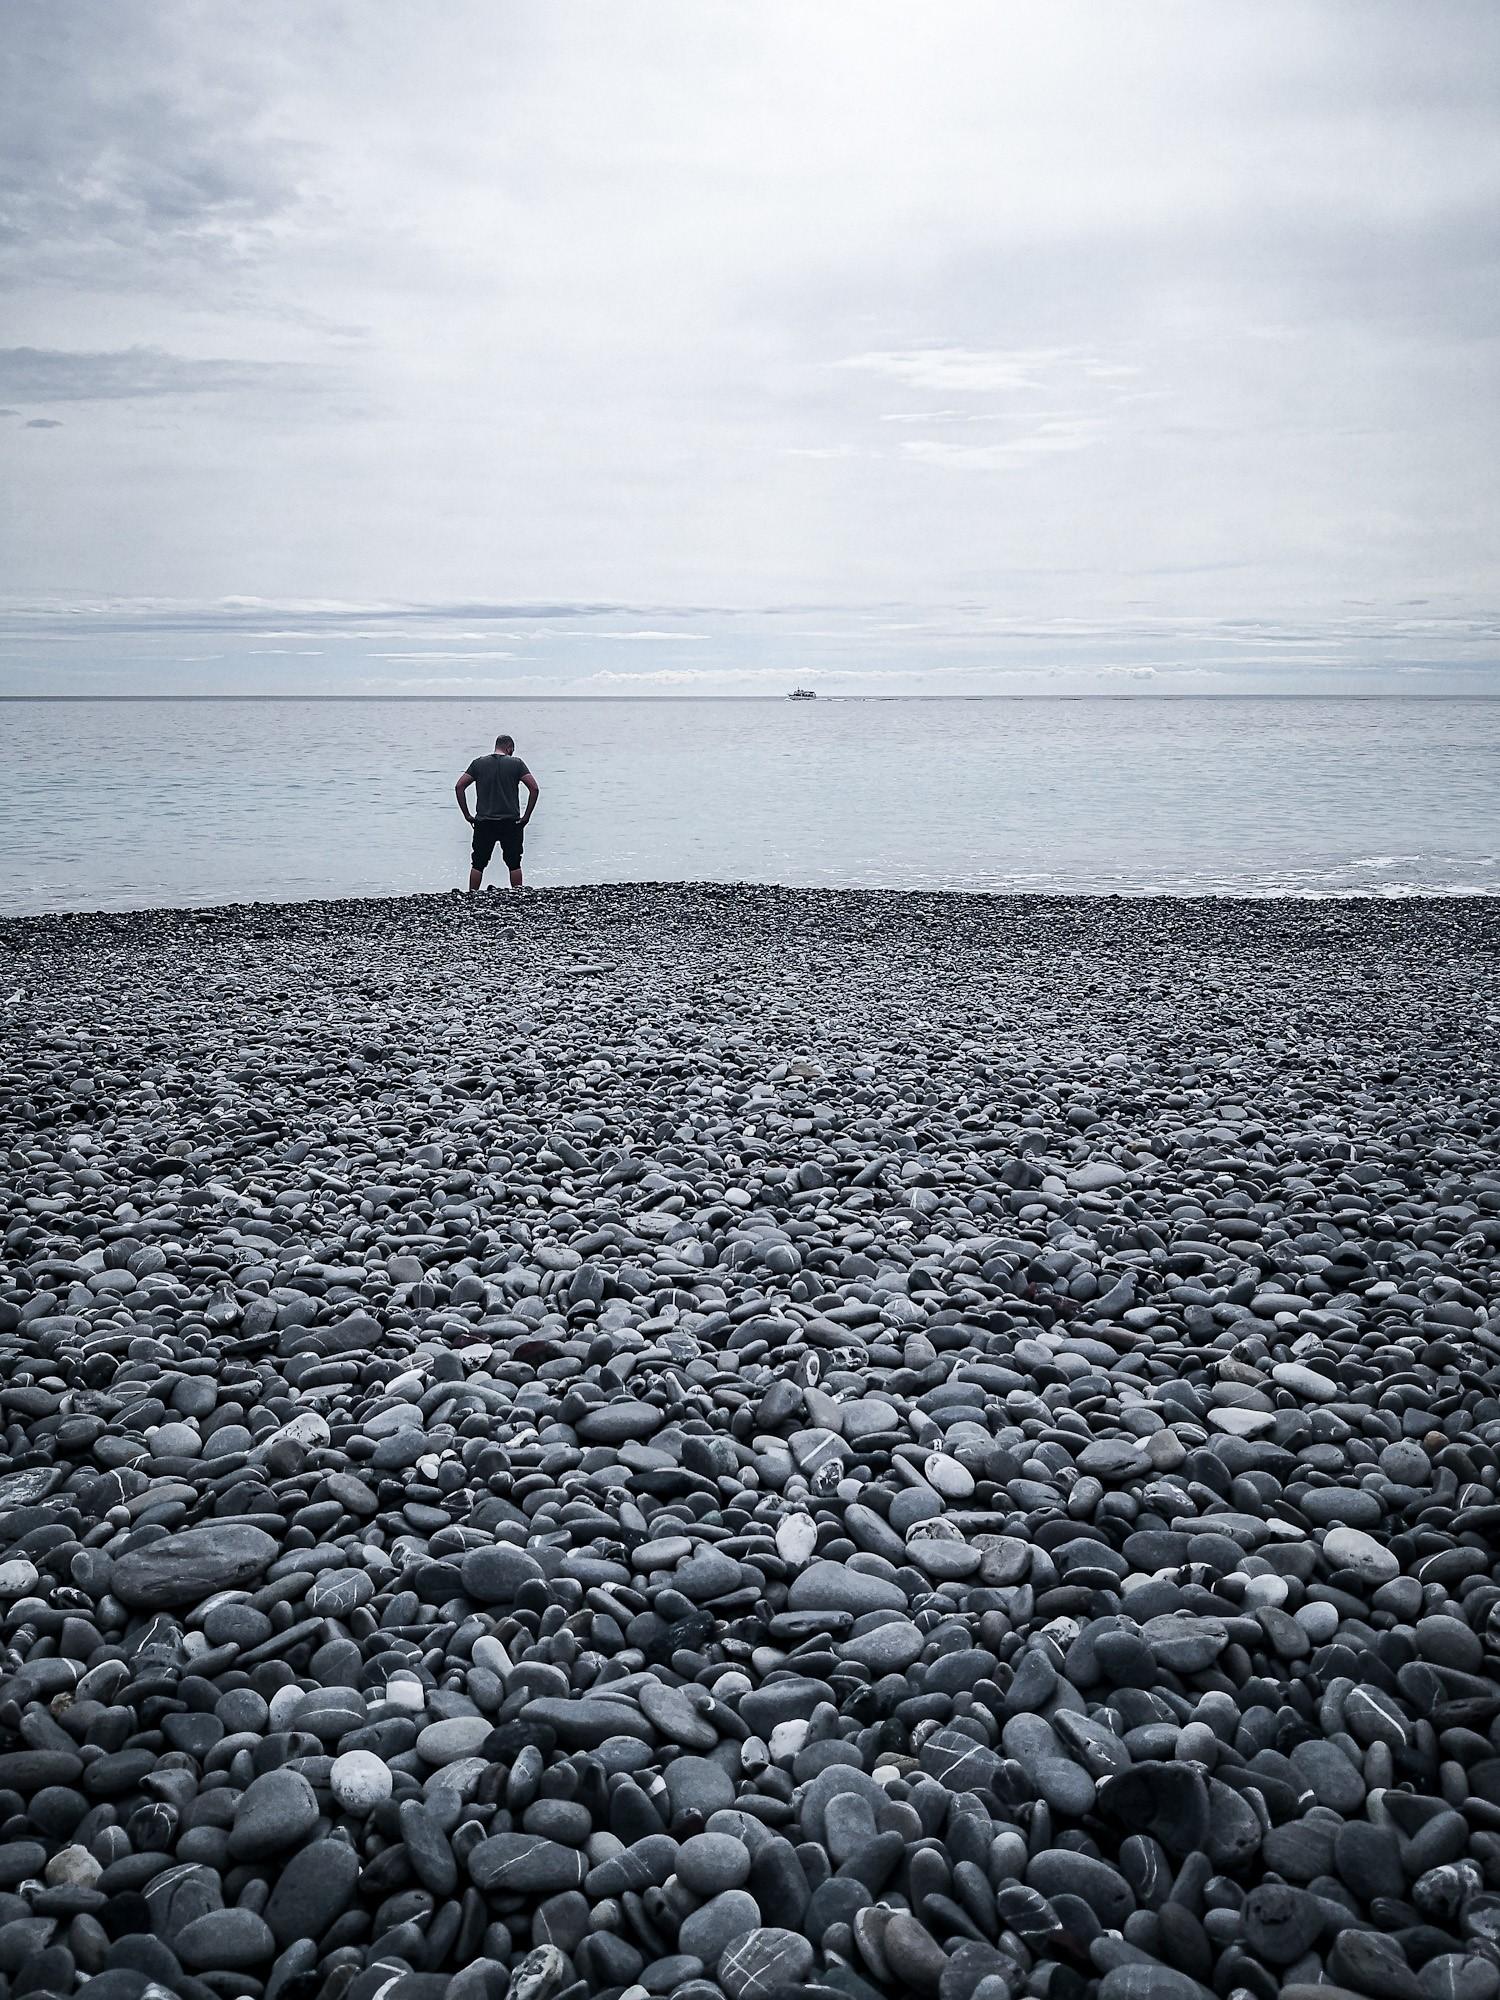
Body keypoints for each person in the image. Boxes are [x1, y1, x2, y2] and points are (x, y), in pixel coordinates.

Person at [454, 733, 539, 896]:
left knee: (478, 863)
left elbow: (459, 787)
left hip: (484, 822)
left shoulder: (478, 763)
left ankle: (472, 895)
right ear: (510, 748)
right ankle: (517, 894)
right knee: (514, 863)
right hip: (511, 822)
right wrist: (526, 816)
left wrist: (467, 814)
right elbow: (534, 788)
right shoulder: (517, 764)